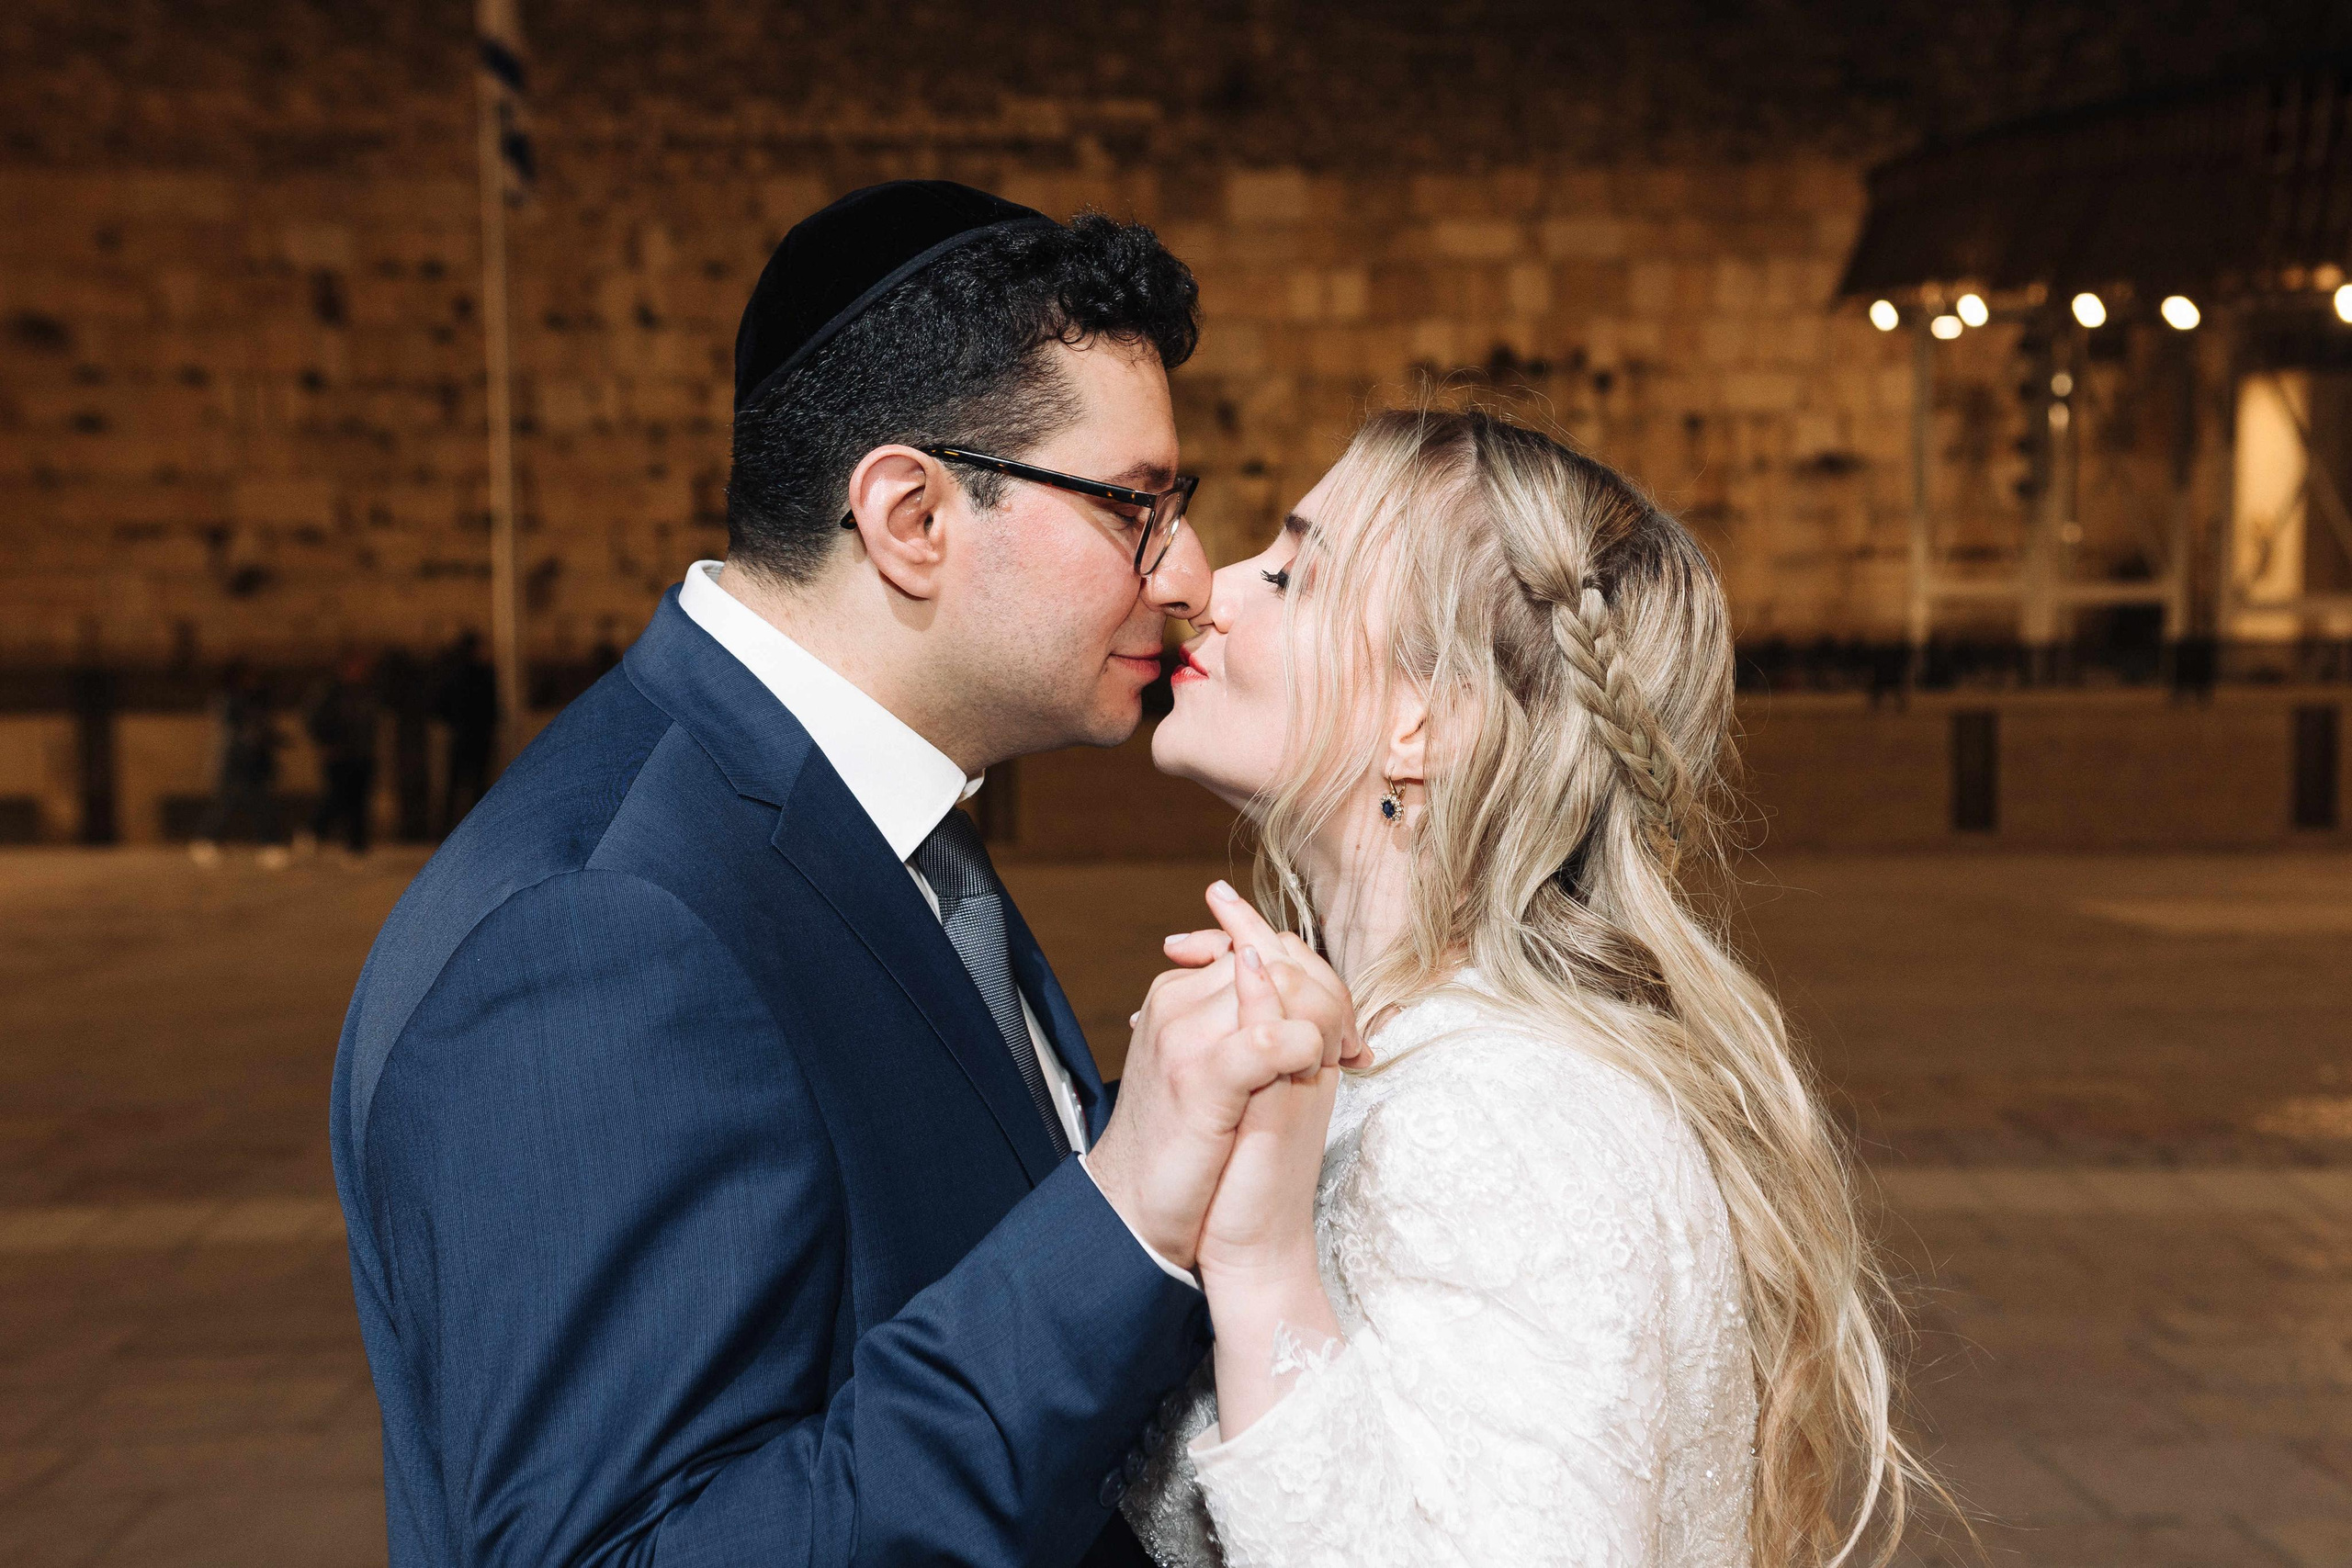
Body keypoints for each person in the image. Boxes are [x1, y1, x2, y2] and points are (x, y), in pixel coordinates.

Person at [330, 181, 1360, 1568]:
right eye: (1135, 505)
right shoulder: (599, 925)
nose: (1184, 572)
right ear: (910, 516)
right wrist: (1122, 1213)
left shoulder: (879, 807)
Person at [1125, 408, 1930, 1565]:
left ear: (1425, 721)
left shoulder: (1495, 1122)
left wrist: (1259, 1267)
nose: (1211, 588)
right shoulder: (1432, 1060)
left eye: (1294, 574)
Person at [191, 660, 285, 865]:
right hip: (235, 761)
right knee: (228, 802)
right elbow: (237, 730)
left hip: (255, 761)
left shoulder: (258, 699)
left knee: (260, 803)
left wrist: (272, 739)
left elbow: (261, 727)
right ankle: (206, 841)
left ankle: (270, 844)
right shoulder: (228, 699)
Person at [304, 651, 381, 856]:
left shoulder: (367, 692)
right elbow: (315, 719)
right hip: (339, 754)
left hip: (362, 754)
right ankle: (314, 831)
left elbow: (370, 723)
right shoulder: (330, 692)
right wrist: (327, 743)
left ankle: (357, 846)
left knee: (359, 800)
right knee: (337, 796)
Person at [431, 628, 496, 832]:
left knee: (456, 787)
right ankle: (478, 829)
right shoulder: (483, 675)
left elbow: (439, 708)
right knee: (477, 786)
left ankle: (446, 830)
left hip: (461, 737)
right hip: (478, 738)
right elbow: (493, 708)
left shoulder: (454, 676)